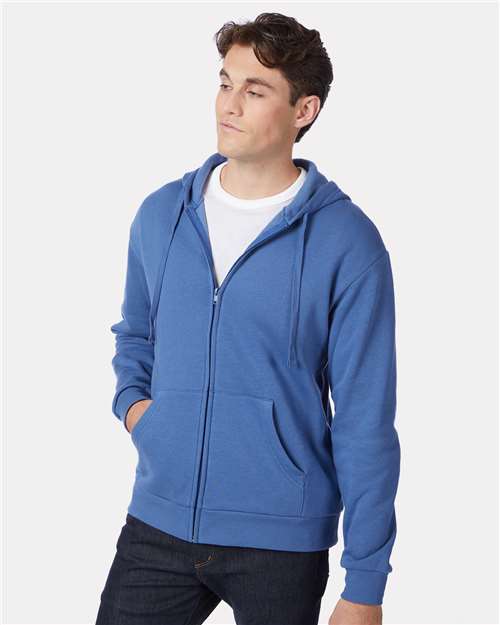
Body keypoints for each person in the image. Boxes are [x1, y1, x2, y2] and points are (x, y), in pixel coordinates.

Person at [96, 12, 401, 625]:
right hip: (158, 522)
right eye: (225, 82)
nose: (228, 105)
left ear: (304, 110)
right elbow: (136, 336)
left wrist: (365, 586)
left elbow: (365, 419)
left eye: (255, 91)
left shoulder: (347, 242)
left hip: (281, 541)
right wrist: (138, 412)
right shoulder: (162, 214)